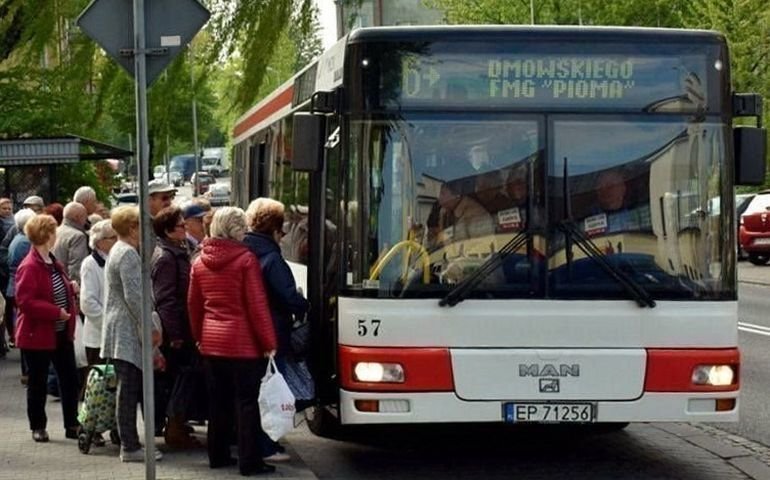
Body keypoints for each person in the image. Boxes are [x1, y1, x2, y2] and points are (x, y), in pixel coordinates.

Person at [188, 207, 277, 476]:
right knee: (246, 403)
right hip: (244, 345)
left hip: (212, 343)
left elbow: (193, 306)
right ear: (237, 230)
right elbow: (257, 305)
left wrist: (199, 338)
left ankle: (217, 455)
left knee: (218, 402)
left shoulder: (199, 262)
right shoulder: (246, 260)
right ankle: (249, 462)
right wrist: (269, 342)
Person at [244, 198, 310, 462]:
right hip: (272, 333)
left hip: (248, 333)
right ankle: (267, 446)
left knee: (255, 391)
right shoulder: (272, 257)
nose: (283, 237)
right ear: (274, 230)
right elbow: (287, 296)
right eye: (282, 231)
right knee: (271, 391)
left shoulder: (244, 249)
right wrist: (304, 303)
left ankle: (258, 443)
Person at [100, 206, 163, 463]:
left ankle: (129, 442)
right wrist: (151, 327)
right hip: (126, 330)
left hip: (124, 328)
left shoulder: (121, 251)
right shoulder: (126, 254)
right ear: (133, 227)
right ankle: (130, 445)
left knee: (128, 390)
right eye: (141, 226)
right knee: (128, 392)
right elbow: (135, 297)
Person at [14, 214, 80, 443]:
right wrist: (55, 312)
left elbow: (54, 290)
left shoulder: (53, 261)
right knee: (38, 382)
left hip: (60, 332)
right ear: (47, 234)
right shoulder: (30, 266)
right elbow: (25, 301)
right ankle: (38, 426)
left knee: (70, 379)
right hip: (38, 334)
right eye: (54, 230)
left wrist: (70, 289)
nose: (56, 233)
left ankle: (72, 423)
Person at [150, 206, 198, 448]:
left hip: (182, 326)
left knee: (183, 378)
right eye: (180, 225)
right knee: (180, 379)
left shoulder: (177, 251)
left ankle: (177, 425)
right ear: (168, 231)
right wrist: (176, 335)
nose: (185, 227)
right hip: (175, 331)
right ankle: (174, 430)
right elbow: (165, 299)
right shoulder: (167, 257)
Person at [79, 219, 117, 365]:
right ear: (99, 242)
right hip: (98, 337)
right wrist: (109, 324)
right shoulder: (90, 264)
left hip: (115, 336)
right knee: (100, 382)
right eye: (113, 237)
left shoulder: (115, 258)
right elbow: (88, 302)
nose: (117, 240)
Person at [426, 182, 495, 248]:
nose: (439, 198)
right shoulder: (444, 211)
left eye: (442, 193)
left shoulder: (476, 214)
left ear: (456, 195)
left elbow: (482, 247)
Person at [52, 202, 90, 285]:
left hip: (55, 283)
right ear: (77, 217)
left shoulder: (55, 231)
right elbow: (76, 267)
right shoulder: (78, 236)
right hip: (69, 286)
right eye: (85, 216)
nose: (86, 219)